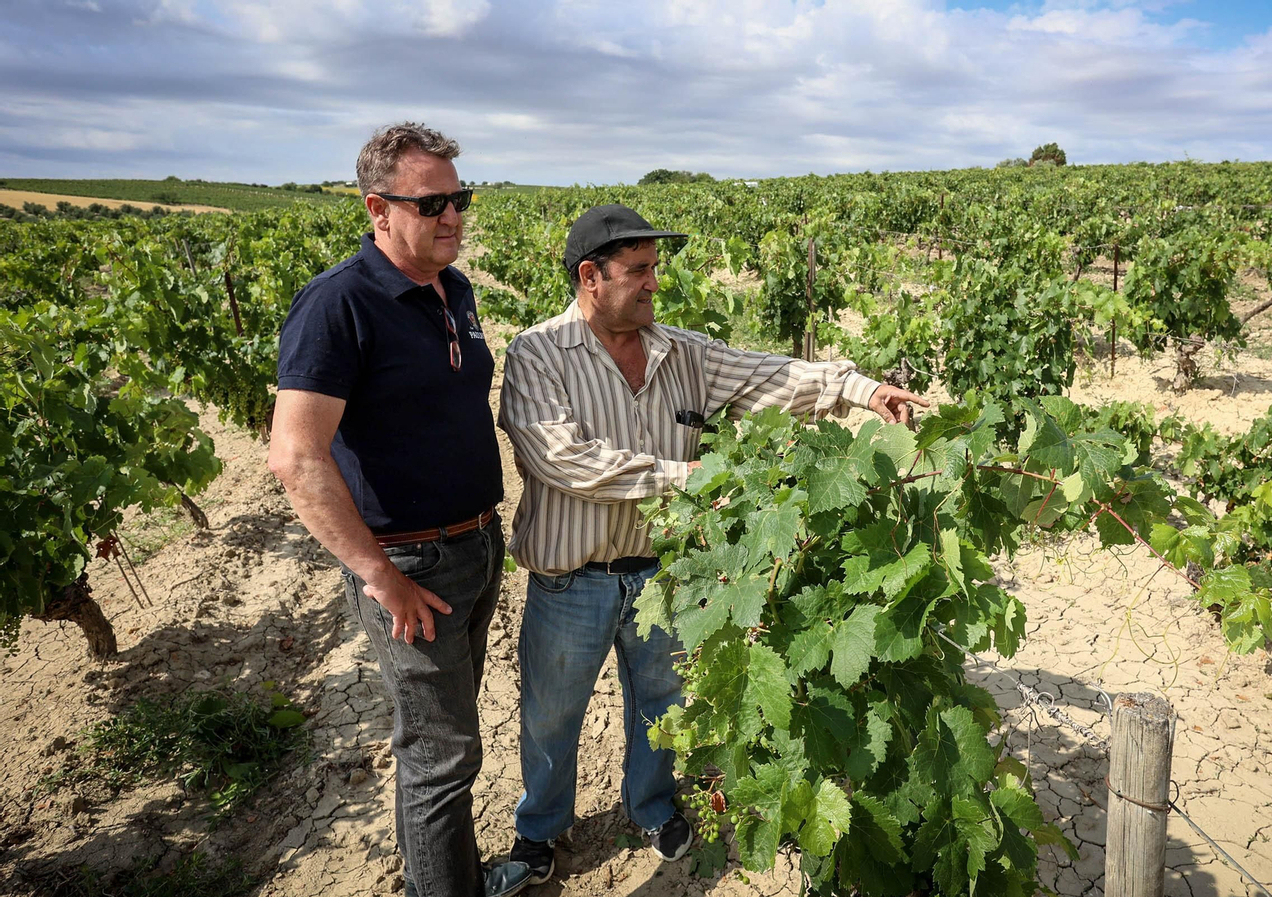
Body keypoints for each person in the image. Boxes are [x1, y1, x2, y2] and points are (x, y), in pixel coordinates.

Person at [498, 204, 928, 881]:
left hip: (665, 576)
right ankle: (540, 832)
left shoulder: (683, 353)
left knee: (663, 705)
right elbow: (565, 460)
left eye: (655, 269)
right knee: (551, 717)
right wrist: (688, 478)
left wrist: (860, 388)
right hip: (569, 579)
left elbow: (771, 376)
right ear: (590, 275)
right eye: (637, 271)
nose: (653, 284)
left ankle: (651, 805)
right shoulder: (537, 354)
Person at [268, 122, 532, 897]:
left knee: (450, 738)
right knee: (440, 755)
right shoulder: (337, 304)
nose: (453, 215)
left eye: (460, 198)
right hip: (412, 566)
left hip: (475, 548)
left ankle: (451, 877)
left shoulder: (452, 287)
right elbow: (295, 456)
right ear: (378, 209)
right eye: (433, 203)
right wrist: (379, 576)